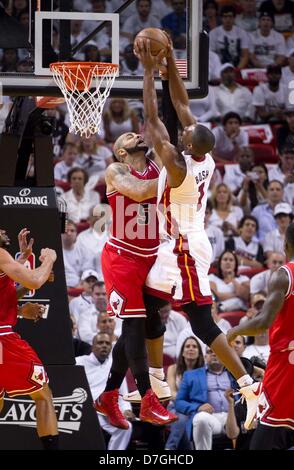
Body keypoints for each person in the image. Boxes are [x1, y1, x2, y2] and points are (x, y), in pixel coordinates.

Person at [134, 36, 257, 429]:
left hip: (184, 246)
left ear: (187, 143)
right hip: (184, 242)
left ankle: (247, 385)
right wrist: (170, 59)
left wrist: (150, 70)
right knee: (152, 304)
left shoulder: (178, 165)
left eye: (184, 134)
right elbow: (183, 105)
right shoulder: (204, 157)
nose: (181, 131)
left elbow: (153, 119)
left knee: (201, 322)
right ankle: (155, 385)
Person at [94, 132, 177, 428]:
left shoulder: (154, 164)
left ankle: (108, 395)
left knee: (149, 322)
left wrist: (153, 83)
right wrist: (178, 177)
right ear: (121, 152)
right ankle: (147, 399)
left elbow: (160, 130)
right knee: (135, 324)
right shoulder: (116, 171)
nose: (136, 135)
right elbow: (141, 192)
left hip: (151, 255)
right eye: (129, 136)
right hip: (123, 258)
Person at [227, 222, 294, 449]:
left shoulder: (284, 275)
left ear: (286, 244)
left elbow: (263, 322)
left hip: (286, 371)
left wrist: (234, 330)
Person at [0, 228, 58, 450]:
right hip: (3, 340)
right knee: (43, 394)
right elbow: (35, 280)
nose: (3, 230)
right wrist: (48, 261)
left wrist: (20, 309)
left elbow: (5, 295)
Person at [76, 333, 134, 450]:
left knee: (126, 427)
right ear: (92, 346)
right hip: (86, 409)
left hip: (108, 410)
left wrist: (126, 410)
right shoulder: (79, 362)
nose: (104, 346)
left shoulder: (116, 366)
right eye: (100, 343)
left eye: (107, 343)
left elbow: (122, 394)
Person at [165, 336, 205, 450]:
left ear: (199, 352)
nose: (191, 349)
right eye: (187, 346)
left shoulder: (204, 371)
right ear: (182, 352)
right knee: (182, 416)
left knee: (183, 418)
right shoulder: (173, 368)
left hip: (196, 409)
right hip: (175, 407)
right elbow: (171, 392)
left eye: (194, 346)